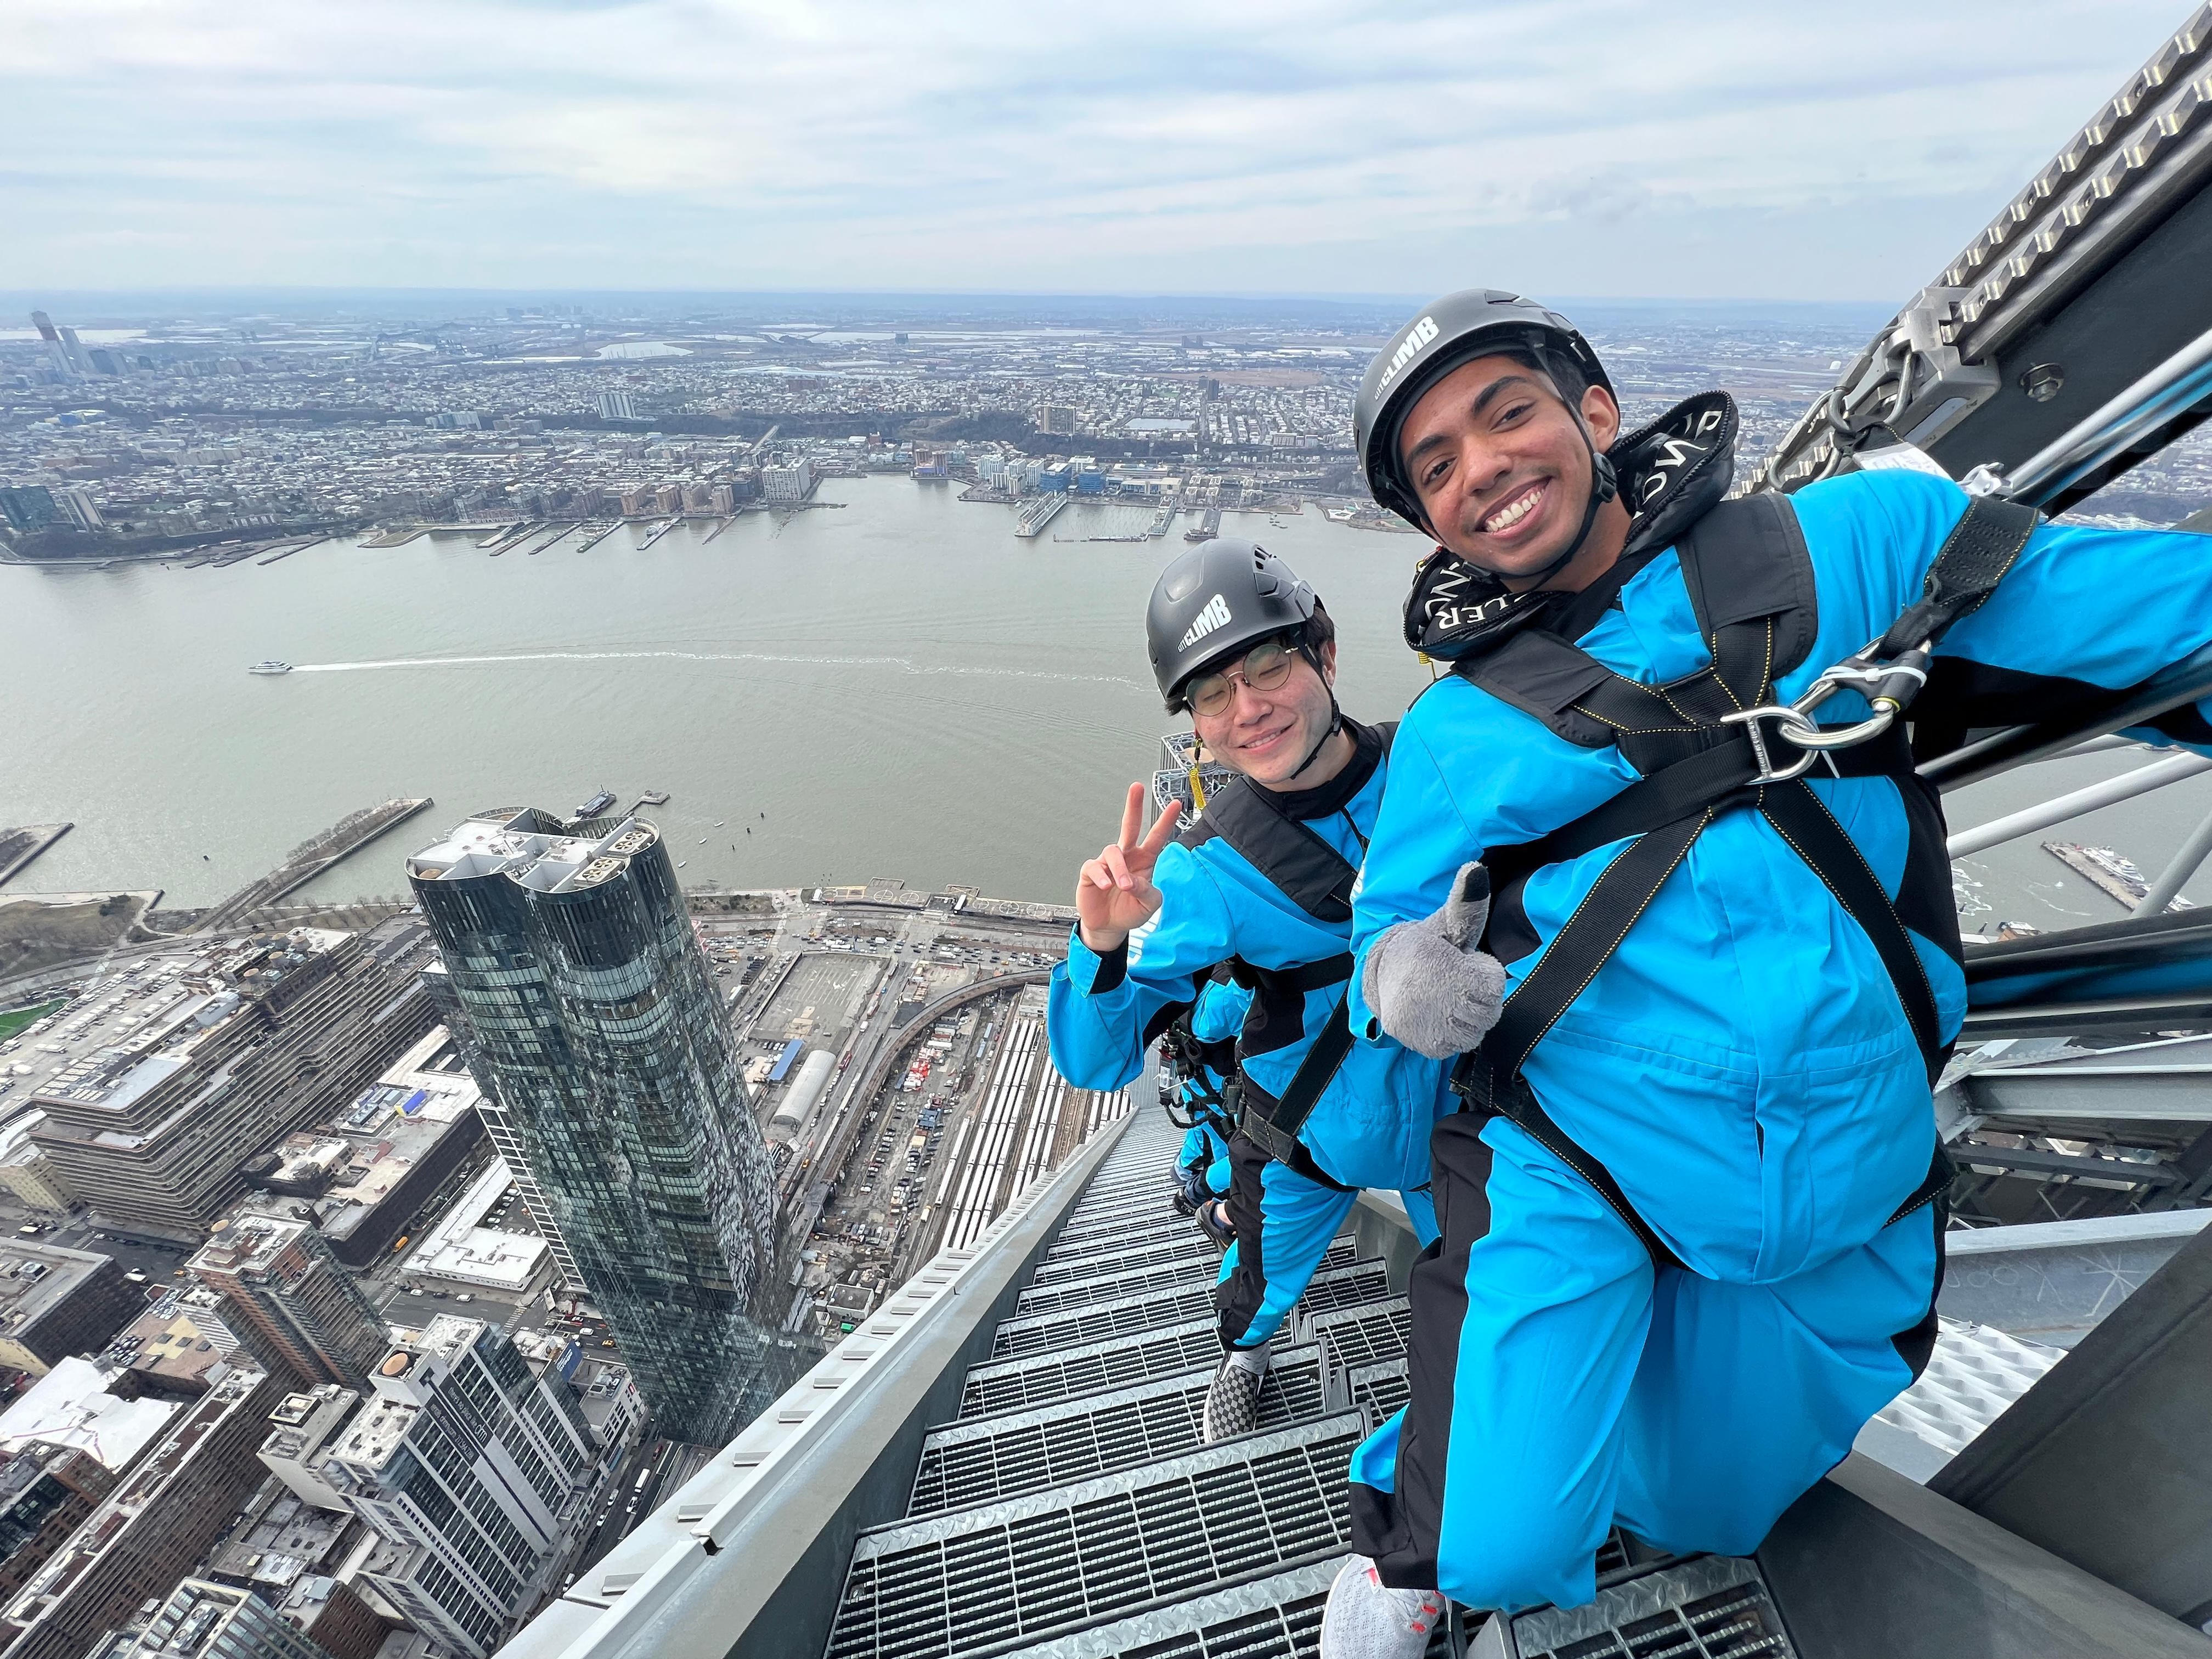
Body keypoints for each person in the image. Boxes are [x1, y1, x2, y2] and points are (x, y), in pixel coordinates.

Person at [1316, 287, 2212, 1656]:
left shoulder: (1846, 542)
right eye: (1436, 466)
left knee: (1712, 1511)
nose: (1481, 468)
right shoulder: (1451, 736)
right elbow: (1390, 910)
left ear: (1596, 414)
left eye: (1506, 413)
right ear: (1432, 523)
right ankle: (1428, 1473)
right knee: (1501, 1547)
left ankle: (1601, 1394)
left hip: (1838, 1132)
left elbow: (2134, 614)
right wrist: (1399, 973)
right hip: (1590, 1142)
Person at [1048, 539, 1446, 1442]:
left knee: (1485, 1295)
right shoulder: (1203, 872)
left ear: (1325, 652)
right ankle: (1246, 1354)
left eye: (1267, 663)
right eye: (1212, 692)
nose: (1248, 707)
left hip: (1456, 1126)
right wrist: (1101, 941)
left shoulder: (1433, 773)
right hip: (1308, 1134)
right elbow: (1094, 1057)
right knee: (1255, 1293)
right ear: (1193, 724)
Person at [1164, 972, 1250, 1241]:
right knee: (1236, 1145)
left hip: (1201, 1076)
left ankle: (1189, 1176)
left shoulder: (1209, 988)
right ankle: (1199, 1189)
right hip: (1213, 1083)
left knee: (1208, 1124)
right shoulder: (1225, 1004)